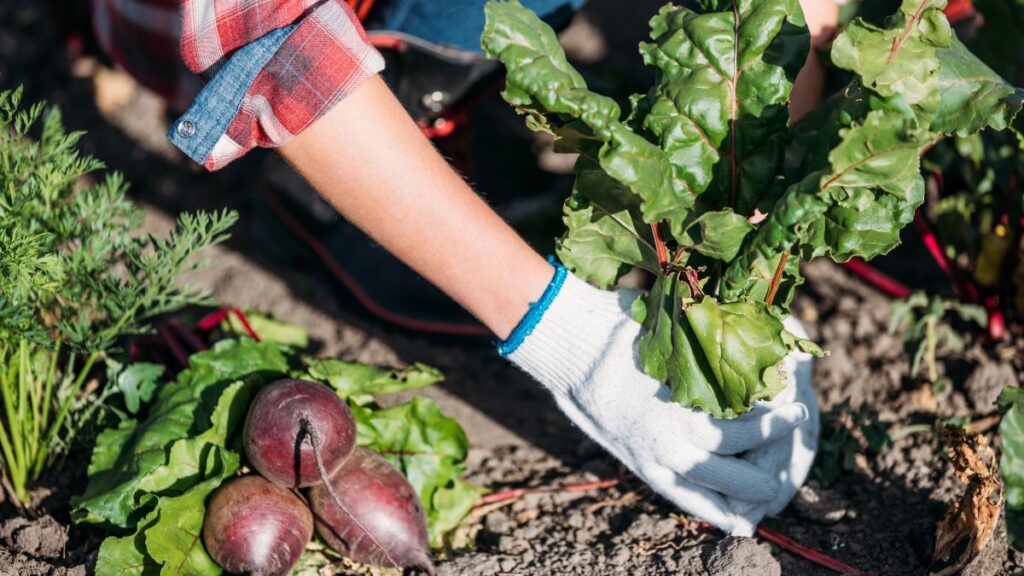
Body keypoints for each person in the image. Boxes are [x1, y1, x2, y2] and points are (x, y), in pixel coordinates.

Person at [88, 0, 842, 535]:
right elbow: (268, 37)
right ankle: (337, 169)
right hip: (211, 38)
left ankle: (440, 112)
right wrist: (576, 340)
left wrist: (750, 274)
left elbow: (788, 16)